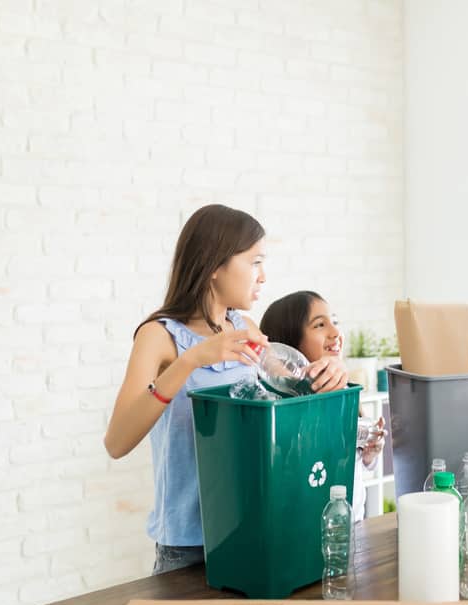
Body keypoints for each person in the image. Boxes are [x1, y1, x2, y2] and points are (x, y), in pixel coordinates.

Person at [103, 204, 349, 575]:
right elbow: (117, 442)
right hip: (189, 545)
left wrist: (332, 370)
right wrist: (189, 361)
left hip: (252, 527)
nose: (263, 276)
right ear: (215, 265)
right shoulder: (158, 336)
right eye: (255, 262)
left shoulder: (245, 327)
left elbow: (296, 391)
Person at [260, 290, 387, 521]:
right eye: (320, 325)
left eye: (335, 322)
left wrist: (370, 453)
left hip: (353, 523)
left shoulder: (346, 391)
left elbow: (357, 466)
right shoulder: (280, 405)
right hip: (307, 528)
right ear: (290, 343)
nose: (335, 332)